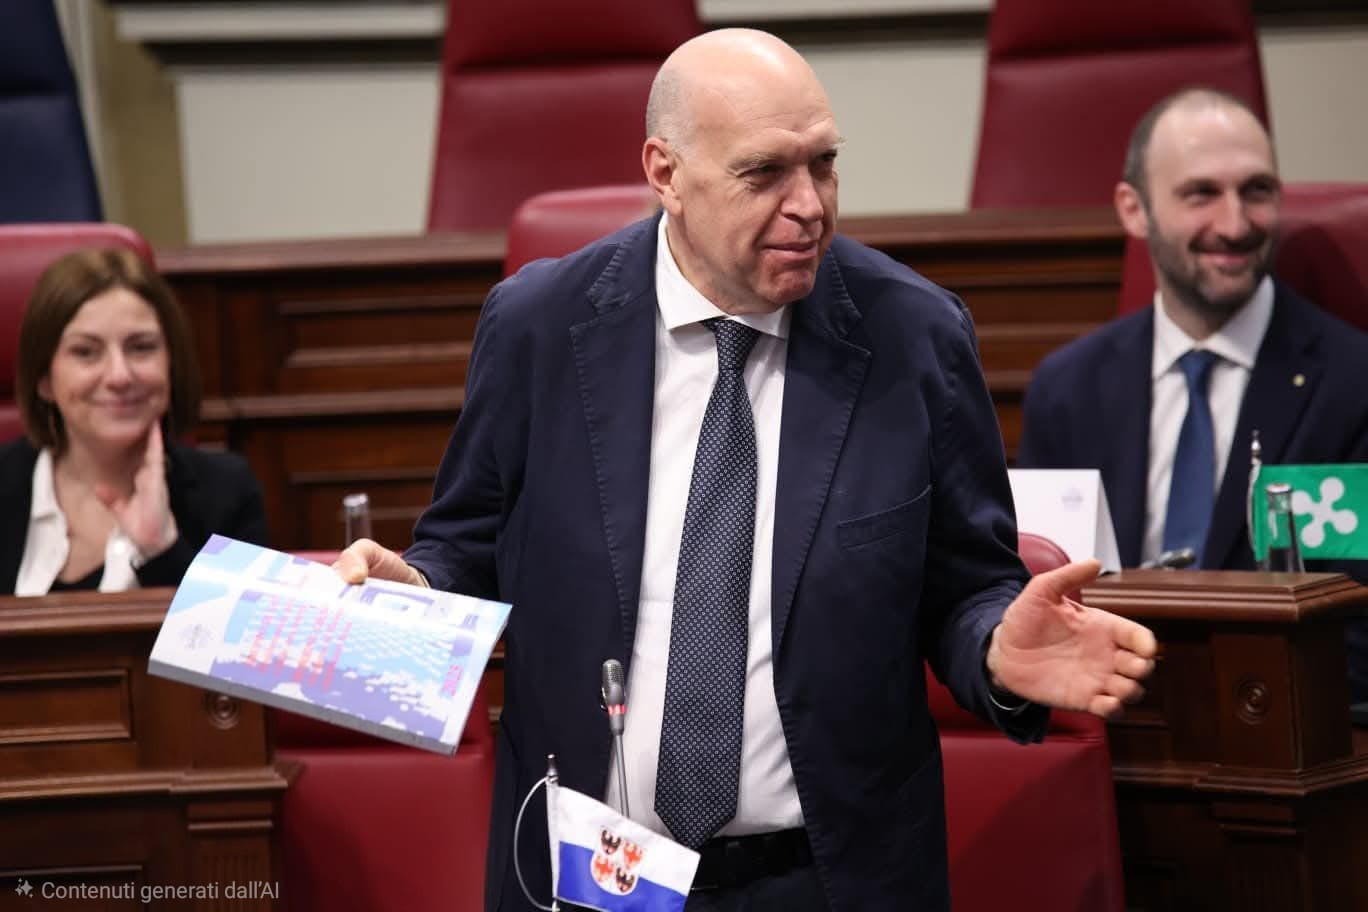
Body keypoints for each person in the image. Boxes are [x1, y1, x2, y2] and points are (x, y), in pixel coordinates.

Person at [338, 29, 1156, 912]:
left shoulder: (913, 337)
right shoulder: (539, 326)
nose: (810, 206)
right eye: (764, 173)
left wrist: (996, 647)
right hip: (591, 875)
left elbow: (966, 587)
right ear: (666, 173)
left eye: (824, 164)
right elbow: (469, 545)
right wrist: (420, 588)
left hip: (829, 881)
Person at [1017, 88, 1368, 701]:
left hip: (1281, 722)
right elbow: (1036, 597)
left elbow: (1358, 634)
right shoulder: (1067, 389)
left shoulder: (1352, 383)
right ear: (1134, 210)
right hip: (1105, 720)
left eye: (1256, 190)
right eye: (1201, 194)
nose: (1235, 225)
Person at [1, 247, 268, 596]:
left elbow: (236, 630)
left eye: (141, 347)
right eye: (85, 352)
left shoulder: (227, 494)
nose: (119, 375)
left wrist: (162, 550)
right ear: (44, 379)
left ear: (171, 363)